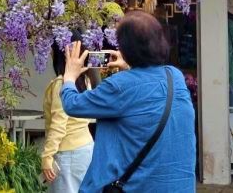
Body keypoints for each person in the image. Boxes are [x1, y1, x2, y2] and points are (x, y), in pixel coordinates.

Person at [60, 11, 196, 193]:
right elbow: (145, 92)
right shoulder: (175, 77)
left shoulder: (120, 86)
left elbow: (72, 104)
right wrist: (131, 66)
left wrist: (69, 75)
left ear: (126, 48)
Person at [42, 44, 96, 192]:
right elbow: (90, 117)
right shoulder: (84, 80)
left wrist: (47, 156)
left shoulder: (61, 84)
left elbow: (58, 125)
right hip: (86, 148)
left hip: (68, 154)